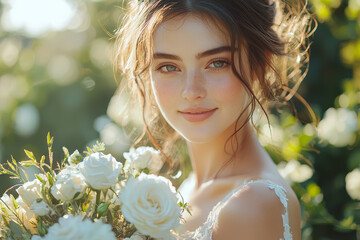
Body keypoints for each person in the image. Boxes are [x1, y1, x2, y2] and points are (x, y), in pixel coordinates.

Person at [114, 0, 315, 239]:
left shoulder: (254, 204)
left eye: (217, 63)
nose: (191, 91)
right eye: (168, 67)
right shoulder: (188, 189)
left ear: (258, 63)